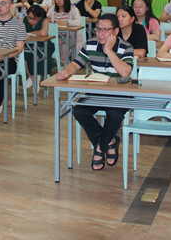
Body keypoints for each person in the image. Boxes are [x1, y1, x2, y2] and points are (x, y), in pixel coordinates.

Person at [56, 13, 133, 171]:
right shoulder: (90, 44)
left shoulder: (126, 47)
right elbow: (76, 64)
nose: (100, 34)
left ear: (116, 31)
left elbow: (125, 72)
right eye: (98, 29)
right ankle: (109, 142)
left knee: (115, 115)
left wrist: (109, 51)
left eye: (105, 30)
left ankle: (99, 148)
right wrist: (66, 72)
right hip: (96, 91)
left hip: (120, 93)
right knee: (79, 110)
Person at [47, 0, 84, 66]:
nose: (58, 0)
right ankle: (56, 65)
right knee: (48, 45)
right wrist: (48, 20)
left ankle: (63, 64)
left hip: (70, 37)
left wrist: (67, 23)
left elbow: (78, 22)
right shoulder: (53, 9)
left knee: (65, 47)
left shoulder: (73, 9)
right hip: (56, 37)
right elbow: (47, 18)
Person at [23, 4, 54, 89]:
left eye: (34, 19)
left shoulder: (45, 20)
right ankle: (33, 78)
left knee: (37, 55)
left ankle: (36, 75)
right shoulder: (23, 20)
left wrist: (30, 33)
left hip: (43, 46)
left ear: (40, 17)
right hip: (28, 45)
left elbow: (43, 33)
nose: (31, 21)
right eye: (29, 18)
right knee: (23, 56)